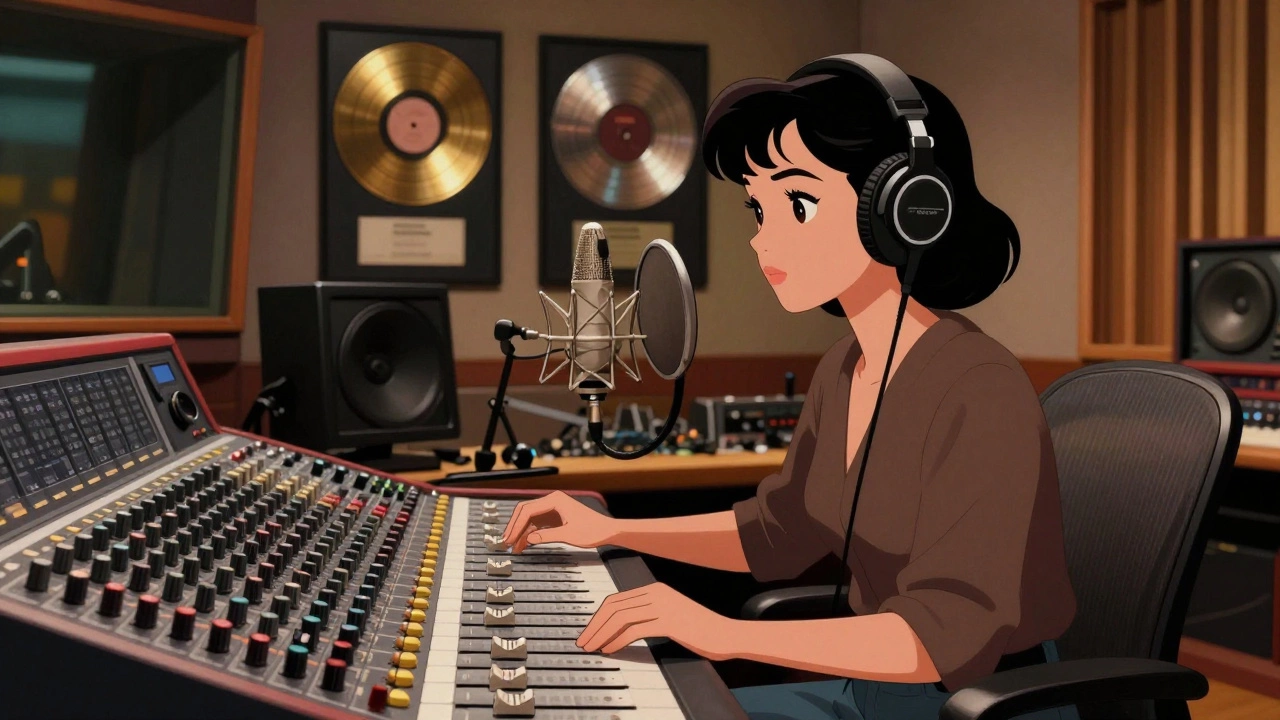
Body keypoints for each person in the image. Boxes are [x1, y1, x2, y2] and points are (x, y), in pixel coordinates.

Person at [501, 57, 1079, 720]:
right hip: (873, 692)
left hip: (976, 707)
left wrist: (723, 633)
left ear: (906, 209)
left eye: (797, 202)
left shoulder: (980, 389)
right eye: (758, 207)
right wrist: (609, 529)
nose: (760, 238)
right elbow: (777, 533)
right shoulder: (845, 368)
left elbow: (944, 637)